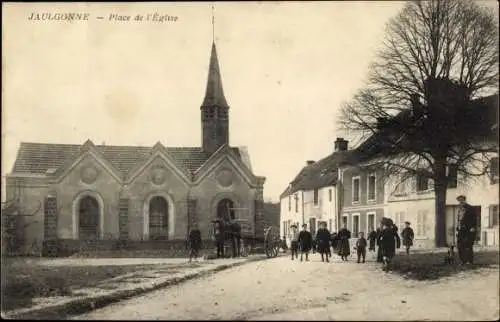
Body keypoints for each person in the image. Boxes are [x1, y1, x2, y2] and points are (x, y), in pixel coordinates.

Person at [456, 195, 477, 265]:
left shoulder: (470, 208)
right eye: (459, 200)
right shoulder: (459, 209)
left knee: (468, 245)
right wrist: (457, 227)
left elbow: (474, 218)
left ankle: (469, 261)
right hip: (461, 229)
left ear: (465, 200)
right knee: (460, 245)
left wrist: (473, 227)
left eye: (462, 200)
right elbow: (459, 219)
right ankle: (463, 261)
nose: (461, 202)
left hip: (469, 229)